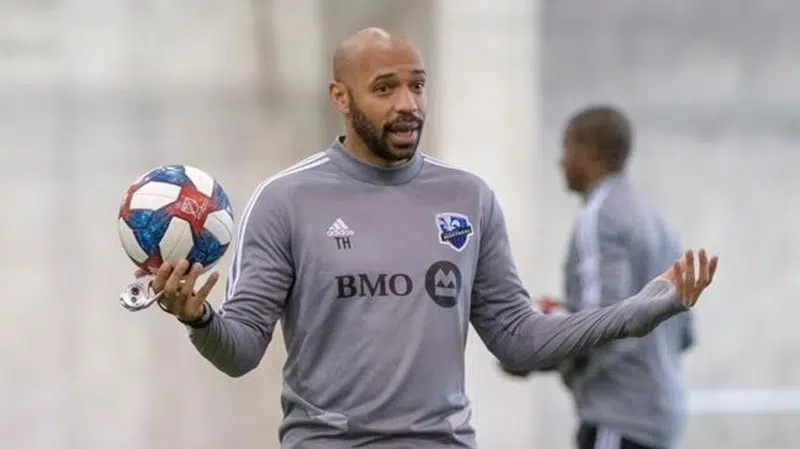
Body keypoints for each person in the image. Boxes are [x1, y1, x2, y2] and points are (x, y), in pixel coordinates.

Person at [138, 29, 718, 449]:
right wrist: (199, 318)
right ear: (341, 97)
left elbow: (518, 340)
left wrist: (640, 311)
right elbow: (240, 352)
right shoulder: (285, 200)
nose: (408, 105)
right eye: (385, 89)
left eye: (417, 86)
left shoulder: (469, 197)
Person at [502, 106, 697, 449]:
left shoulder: (599, 216)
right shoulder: (656, 220)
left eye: (566, 148)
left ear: (590, 152)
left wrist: (532, 352)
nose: (560, 161)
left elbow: (600, 324)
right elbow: (684, 332)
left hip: (620, 419)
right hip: (662, 417)